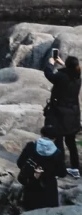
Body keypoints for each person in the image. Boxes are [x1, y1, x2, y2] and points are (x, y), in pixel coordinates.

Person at [43, 47, 81, 177]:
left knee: (58, 141)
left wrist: (51, 63)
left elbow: (49, 74)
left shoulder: (61, 77)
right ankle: (75, 169)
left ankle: (60, 169)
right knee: (71, 142)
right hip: (73, 115)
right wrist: (63, 63)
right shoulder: (78, 78)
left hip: (60, 114)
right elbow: (71, 72)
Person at [17, 129, 64, 210]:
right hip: (49, 190)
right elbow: (62, 173)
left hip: (31, 185)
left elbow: (20, 162)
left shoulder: (31, 146)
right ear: (54, 138)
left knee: (29, 214)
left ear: (41, 134)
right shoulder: (57, 153)